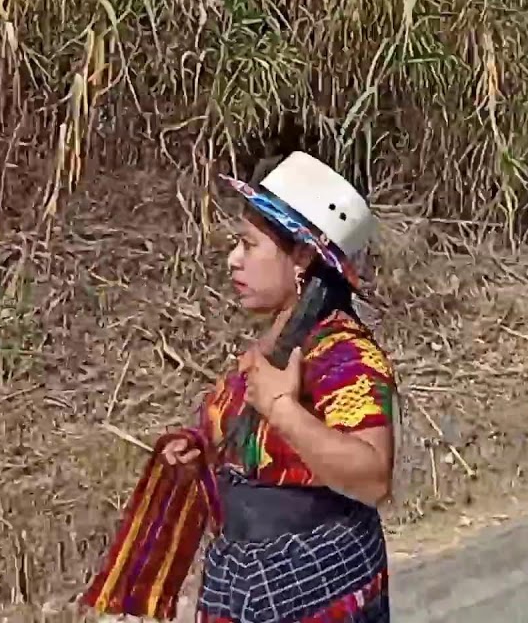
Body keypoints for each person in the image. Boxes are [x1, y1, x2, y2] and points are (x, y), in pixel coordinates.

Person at [83, 148, 396, 623]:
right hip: (240, 578)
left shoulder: (342, 355)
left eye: (248, 245)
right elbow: (256, 462)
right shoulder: (274, 343)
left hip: (314, 580)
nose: (233, 260)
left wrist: (283, 409)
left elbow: (372, 477)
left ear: (303, 257)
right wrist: (199, 458)